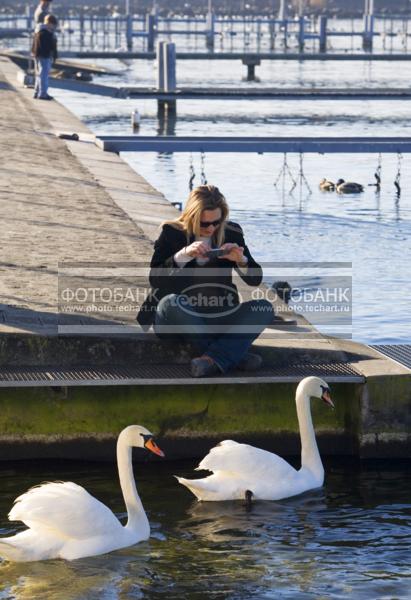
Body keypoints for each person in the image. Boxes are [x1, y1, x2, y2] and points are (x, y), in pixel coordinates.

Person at [137, 185, 274, 378]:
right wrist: (182, 255)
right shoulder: (172, 233)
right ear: (192, 216)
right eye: (204, 224)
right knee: (171, 303)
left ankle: (213, 359)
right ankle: (233, 357)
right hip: (177, 318)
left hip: (218, 314)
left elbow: (255, 279)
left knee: (264, 308)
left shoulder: (231, 232)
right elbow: (155, 279)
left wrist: (241, 261)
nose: (210, 228)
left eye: (215, 222)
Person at [31, 14, 58, 100]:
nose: (54, 27)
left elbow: (35, 45)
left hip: (37, 54)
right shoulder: (46, 33)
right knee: (44, 75)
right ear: (49, 23)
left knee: (39, 74)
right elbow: (48, 46)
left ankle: (37, 92)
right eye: (53, 25)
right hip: (44, 55)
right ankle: (42, 94)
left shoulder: (39, 30)